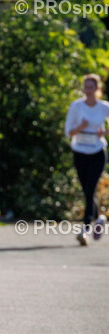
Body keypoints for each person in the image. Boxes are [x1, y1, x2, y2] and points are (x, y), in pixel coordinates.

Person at [64, 73, 109, 245]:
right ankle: (100, 217)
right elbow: (68, 132)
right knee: (86, 191)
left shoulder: (104, 107)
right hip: (79, 151)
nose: (88, 91)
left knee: (90, 189)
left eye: (92, 88)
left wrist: (104, 132)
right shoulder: (76, 107)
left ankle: (85, 230)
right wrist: (81, 127)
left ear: (97, 89)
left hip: (97, 152)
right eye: (86, 87)